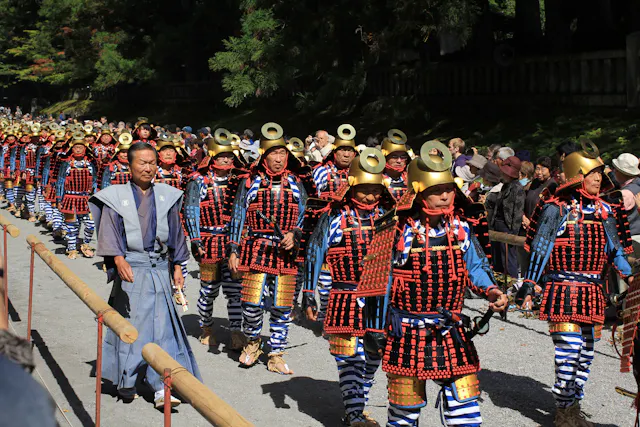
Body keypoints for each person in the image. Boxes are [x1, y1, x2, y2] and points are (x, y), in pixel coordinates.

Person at [358, 140, 508, 427]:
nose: (445, 196)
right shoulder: (396, 229)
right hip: (406, 332)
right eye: (436, 191)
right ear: (418, 193)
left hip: (450, 331)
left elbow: (475, 267)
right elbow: (378, 282)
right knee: (404, 414)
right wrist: (374, 327)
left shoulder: (461, 228)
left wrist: (492, 290)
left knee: (466, 410)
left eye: (448, 189)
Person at [517, 141, 633, 427]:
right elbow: (541, 248)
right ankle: (565, 414)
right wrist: (530, 284)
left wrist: (632, 278)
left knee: (585, 356)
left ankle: (573, 407)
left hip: (593, 293)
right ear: (577, 174)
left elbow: (616, 252)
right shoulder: (557, 209)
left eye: (600, 173)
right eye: (593, 173)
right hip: (562, 291)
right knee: (568, 353)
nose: (598, 178)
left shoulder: (606, 211)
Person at [89, 142, 201, 408]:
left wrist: (177, 266)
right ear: (130, 165)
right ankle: (126, 380)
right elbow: (108, 231)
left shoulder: (167, 195)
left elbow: (176, 232)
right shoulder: (115, 196)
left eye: (152, 162)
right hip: (132, 268)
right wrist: (118, 258)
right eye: (142, 162)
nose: (148, 168)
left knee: (163, 329)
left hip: (160, 268)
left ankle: (163, 386)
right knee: (133, 328)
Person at [304, 149, 394, 427]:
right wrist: (309, 291)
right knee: (349, 358)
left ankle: (358, 406)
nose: (369, 196)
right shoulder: (335, 216)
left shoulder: (390, 217)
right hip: (345, 295)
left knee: (373, 357)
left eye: (375, 190)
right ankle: (354, 413)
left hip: (380, 300)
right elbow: (315, 251)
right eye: (365, 190)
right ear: (353, 186)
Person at [228, 122, 308, 375]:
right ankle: (253, 342)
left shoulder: (296, 182)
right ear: (264, 155)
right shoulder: (251, 181)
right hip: (256, 247)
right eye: (273, 153)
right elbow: (238, 214)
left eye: (282, 153)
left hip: (286, 252)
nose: (278, 158)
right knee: (251, 304)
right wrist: (233, 249)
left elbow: (306, 215)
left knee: (282, 305)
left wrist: (295, 234)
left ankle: (276, 352)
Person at [184, 129, 246, 351]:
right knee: (208, 290)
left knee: (235, 291)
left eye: (229, 156)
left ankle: (236, 331)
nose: (227, 160)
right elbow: (191, 209)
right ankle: (207, 328)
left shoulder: (240, 181)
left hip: (233, 243)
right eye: (222, 156)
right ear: (211, 157)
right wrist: (195, 239)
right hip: (209, 242)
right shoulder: (198, 180)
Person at [55, 132, 98, 259]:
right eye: (75, 147)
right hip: (70, 198)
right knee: (71, 225)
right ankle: (72, 248)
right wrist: (59, 199)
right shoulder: (66, 164)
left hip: (86, 198)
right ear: (72, 149)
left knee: (91, 224)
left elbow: (95, 182)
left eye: (81, 147)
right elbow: (60, 182)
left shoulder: (90, 164)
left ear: (85, 149)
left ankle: (85, 244)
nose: (78, 149)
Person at [491, 156, 524, 285]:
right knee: (498, 257)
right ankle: (500, 283)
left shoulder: (517, 188)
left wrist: (513, 231)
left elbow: (518, 212)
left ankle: (511, 285)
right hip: (498, 224)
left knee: (508, 258)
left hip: (508, 226)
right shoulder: (505, 185)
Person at [611, 152, 640, 289]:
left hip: (630, 242)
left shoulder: (625, 193)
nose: (614, 172)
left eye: (616, 170)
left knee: (627, 287)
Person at [381, 129, 410, 200]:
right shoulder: (378, 178)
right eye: (394, 157)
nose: (399, 161)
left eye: (403, 157)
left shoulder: (411, 178)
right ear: (385, 158)